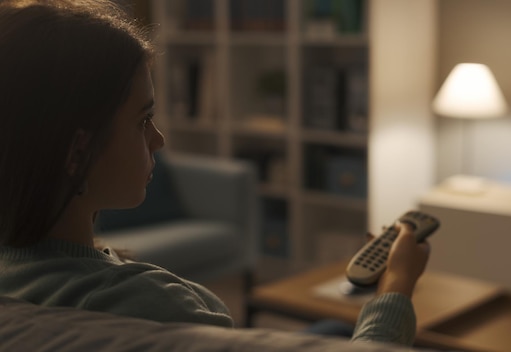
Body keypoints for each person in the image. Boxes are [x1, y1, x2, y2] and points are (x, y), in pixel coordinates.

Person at [0, 0, 431, 347]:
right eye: (142, 120)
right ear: (78, 151)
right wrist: (396, 284)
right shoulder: (161, 309)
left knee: (333, 331)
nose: (159, 140)